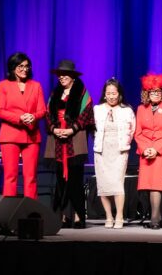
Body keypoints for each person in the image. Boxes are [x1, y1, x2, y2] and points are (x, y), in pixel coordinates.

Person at [45, 59, 95, 229]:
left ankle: (78, 216)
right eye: (60, 74)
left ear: (73, 76)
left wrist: (71, 129)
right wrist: (54, 128)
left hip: (74, 139)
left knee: (75, 180)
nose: (62, 77)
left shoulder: (82, 93)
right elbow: (48, 113)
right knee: (60, 180)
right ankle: (63, 216)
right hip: (58, 140)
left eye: (65, 74)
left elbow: (86, 113)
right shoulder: (55, 93)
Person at [0, 52, 46, 200]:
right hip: (10, 134)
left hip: (31, 135)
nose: (25, 69)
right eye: (20, 66)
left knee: (31, 176)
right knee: (10, 175)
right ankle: (9, 212)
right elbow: (0, 111)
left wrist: (33, 116)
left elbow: (42, 110)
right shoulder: (4, 85)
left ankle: (31, 212)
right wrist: (20, 118)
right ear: (12, 68)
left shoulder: (35, 86)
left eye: (27, 66)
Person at [92, 78, 135, 229]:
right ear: (104, 94)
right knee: (103, 184)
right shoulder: (97, 109)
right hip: (102, 150)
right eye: (108, 93)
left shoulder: (127, 110)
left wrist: (125, 143)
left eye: (114, 93)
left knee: (117, 183)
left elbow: (132, 129)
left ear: (119, 94)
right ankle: (109, 216)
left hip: (119, 150)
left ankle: (119, 216)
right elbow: (93, 129)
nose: (111, 96)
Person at [135, 73, 162, 229]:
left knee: (157, 185)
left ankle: (154, 218)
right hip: (145, 151)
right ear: (147, 93)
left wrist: (157, 149)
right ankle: (156, 215)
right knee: (148, 184)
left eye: (158, 92)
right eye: (152, 92)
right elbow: (137, 132)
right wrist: (146, 149)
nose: (155, 94)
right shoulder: (140, 109)